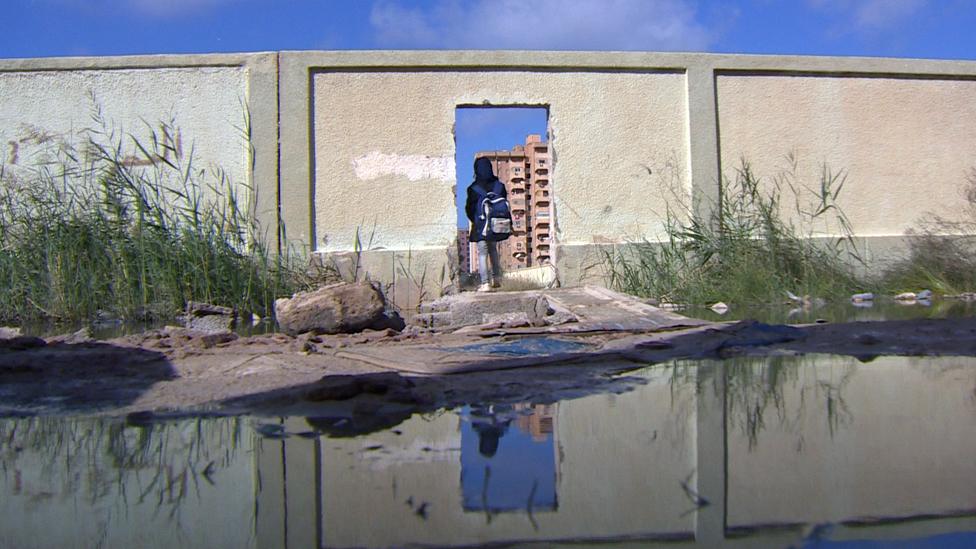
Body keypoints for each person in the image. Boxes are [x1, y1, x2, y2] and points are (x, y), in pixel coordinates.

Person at [465, 157, 507, 292]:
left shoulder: (473, 188)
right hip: (496, 225)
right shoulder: (499, 186)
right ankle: (497, 279)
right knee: (493, 250)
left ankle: (485, 283)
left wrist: (475, 220)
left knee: (482, 253)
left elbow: (469, 209)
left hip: (481, 225)